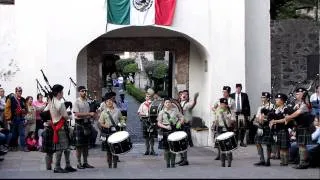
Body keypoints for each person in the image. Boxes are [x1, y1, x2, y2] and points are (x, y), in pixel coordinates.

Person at [47, 84, 76, 173]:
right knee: (61, 148)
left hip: (56, 126)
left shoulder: (51, 101)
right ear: (59, 93)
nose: (63, 93)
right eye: (62, 91)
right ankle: (57, 166)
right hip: (61, 127)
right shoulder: (60, 103)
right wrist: (70, 116)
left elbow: (45, 111)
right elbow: (66, 117)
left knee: (66, 148)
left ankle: (67, 165)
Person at [283, 88, 313, 169]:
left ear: (303, 94)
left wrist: (288, 117)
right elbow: (293, 112)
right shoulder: (298, 103)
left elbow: (297, 113)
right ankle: (304, 162)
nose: (296, 95)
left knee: (302, 145)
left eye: (298, 94)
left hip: (304, 127)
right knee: (301, 145)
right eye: (296, 94)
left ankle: (303, 163)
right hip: (299, 127)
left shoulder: (305, 104)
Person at [99, 92, 126, 168]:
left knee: (116, 148)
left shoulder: (118, 111)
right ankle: (109, 164)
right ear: (105, 103)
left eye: (110, 101)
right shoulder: (104, 112)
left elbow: (121, 119)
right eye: (107, 101)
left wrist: (122, 123)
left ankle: (115, 164)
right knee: (108, 150)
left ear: (113, 102)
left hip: (116, 132)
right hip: (107, 132)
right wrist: (105, 125)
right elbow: (100, 122)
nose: (109, 102)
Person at [157, 97, 184, 168]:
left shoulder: (175, 111)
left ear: (171, 103)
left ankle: (173, 163)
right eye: (166, 102)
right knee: (166, 148)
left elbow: (182, 118)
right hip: (165, 130)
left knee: (173, 147)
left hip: (174, 129)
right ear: (164, 104)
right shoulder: (161, 112)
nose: (168, 104)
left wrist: (179, 123)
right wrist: (165, 127)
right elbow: (159, 123)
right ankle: (167, 163)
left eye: (169, 102)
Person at [73, 86, 95, 169]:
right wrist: (89, 114)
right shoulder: (77, 102)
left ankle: (85, 162)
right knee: (79, 146)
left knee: (86, 145)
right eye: (82, 91)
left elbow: (89, 113)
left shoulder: (87, 102)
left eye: (85, 91)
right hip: (79, 124)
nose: (84, 92)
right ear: (79, 92)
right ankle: (79, 163)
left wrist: (92, 115)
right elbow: (77, 114)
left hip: (87, 124)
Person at [211, 86, 235, 160]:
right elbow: (212, 107)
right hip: (219, 120)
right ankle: (219, 154)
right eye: (223, 92)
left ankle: (229, 155)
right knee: (218, 139)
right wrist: (216, 111)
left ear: (228, 93)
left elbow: (231, 109)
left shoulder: (231, 100)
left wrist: (224, 106)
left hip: (228, 120)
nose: (224, 93)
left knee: (227, 140)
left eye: (225, 92)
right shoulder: (219, 100)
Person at [176, 90, 199, 166]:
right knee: (179, 143)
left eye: (186, 94)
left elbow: (193, 104)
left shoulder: (187, 104)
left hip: (185, 125)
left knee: (184, 143)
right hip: (179, 125)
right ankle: (182, 158)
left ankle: (185, 160)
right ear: (180, 95)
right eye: (183, 94)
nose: (184, 95)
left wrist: (195, 99)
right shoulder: (178, 104)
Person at [253, 92, 275, 166]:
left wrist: (264, 119)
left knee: (268, 144)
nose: (262, 99)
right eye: (261, 97)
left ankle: (268, 160)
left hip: (267, 126)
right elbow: (257, 117)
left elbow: (272, 117)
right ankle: (262, 159)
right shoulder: (260, 107)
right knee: (257, 142)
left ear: (268, 98)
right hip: (260, 126)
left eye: (264, 97)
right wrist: (258, 120)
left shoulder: (271, 106)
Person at [4, 87, 29, 152]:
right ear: (16, 91)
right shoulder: (11, 99)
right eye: (18, 91)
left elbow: (27, 109)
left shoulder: (23, 99)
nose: (20, 92)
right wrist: (8, 118)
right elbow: (7, 109)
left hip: (21, 118)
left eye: (21, 91)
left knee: (22, 133)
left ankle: (23, 147)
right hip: (13, 118)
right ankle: (12, 146)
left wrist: (24, 111)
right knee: (13, 134)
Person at [269, 93, 290, 166]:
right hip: (278, 130)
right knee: (280, 146)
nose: (276, 100)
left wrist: (275, 121)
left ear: (282, 101)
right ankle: (282, 161)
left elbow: (286, 119)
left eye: (277, 99)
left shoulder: (286, 109)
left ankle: (286, 161)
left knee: (284, 147)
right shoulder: (275, 110)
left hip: (284, 130)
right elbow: (271, 118)